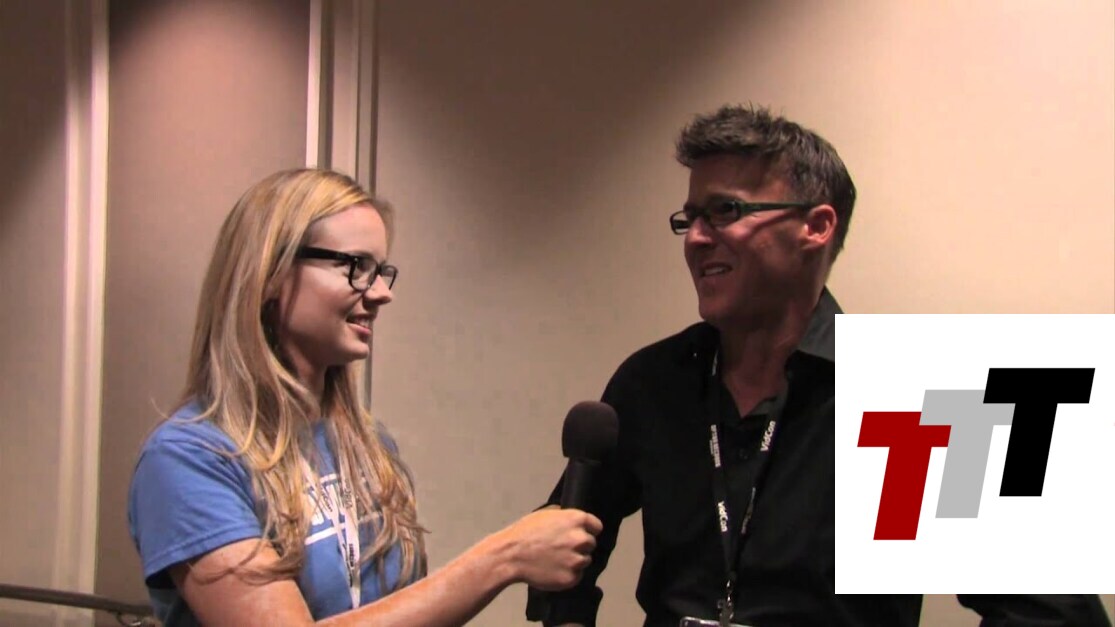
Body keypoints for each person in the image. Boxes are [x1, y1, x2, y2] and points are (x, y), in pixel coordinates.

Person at [526, 105, 1111, 627]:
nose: (696, 238)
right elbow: (557, 546)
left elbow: (1053, 614)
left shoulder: (915, 393)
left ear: (816, 226)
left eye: (725, 211)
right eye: (689, 218)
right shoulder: (654, 383)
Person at [128, 168, 602, 626]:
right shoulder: (189, 461)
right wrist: (503, 558)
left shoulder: (366, 445)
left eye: (381, 271)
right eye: (356, 267)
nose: (380, 294)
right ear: (271, 273)